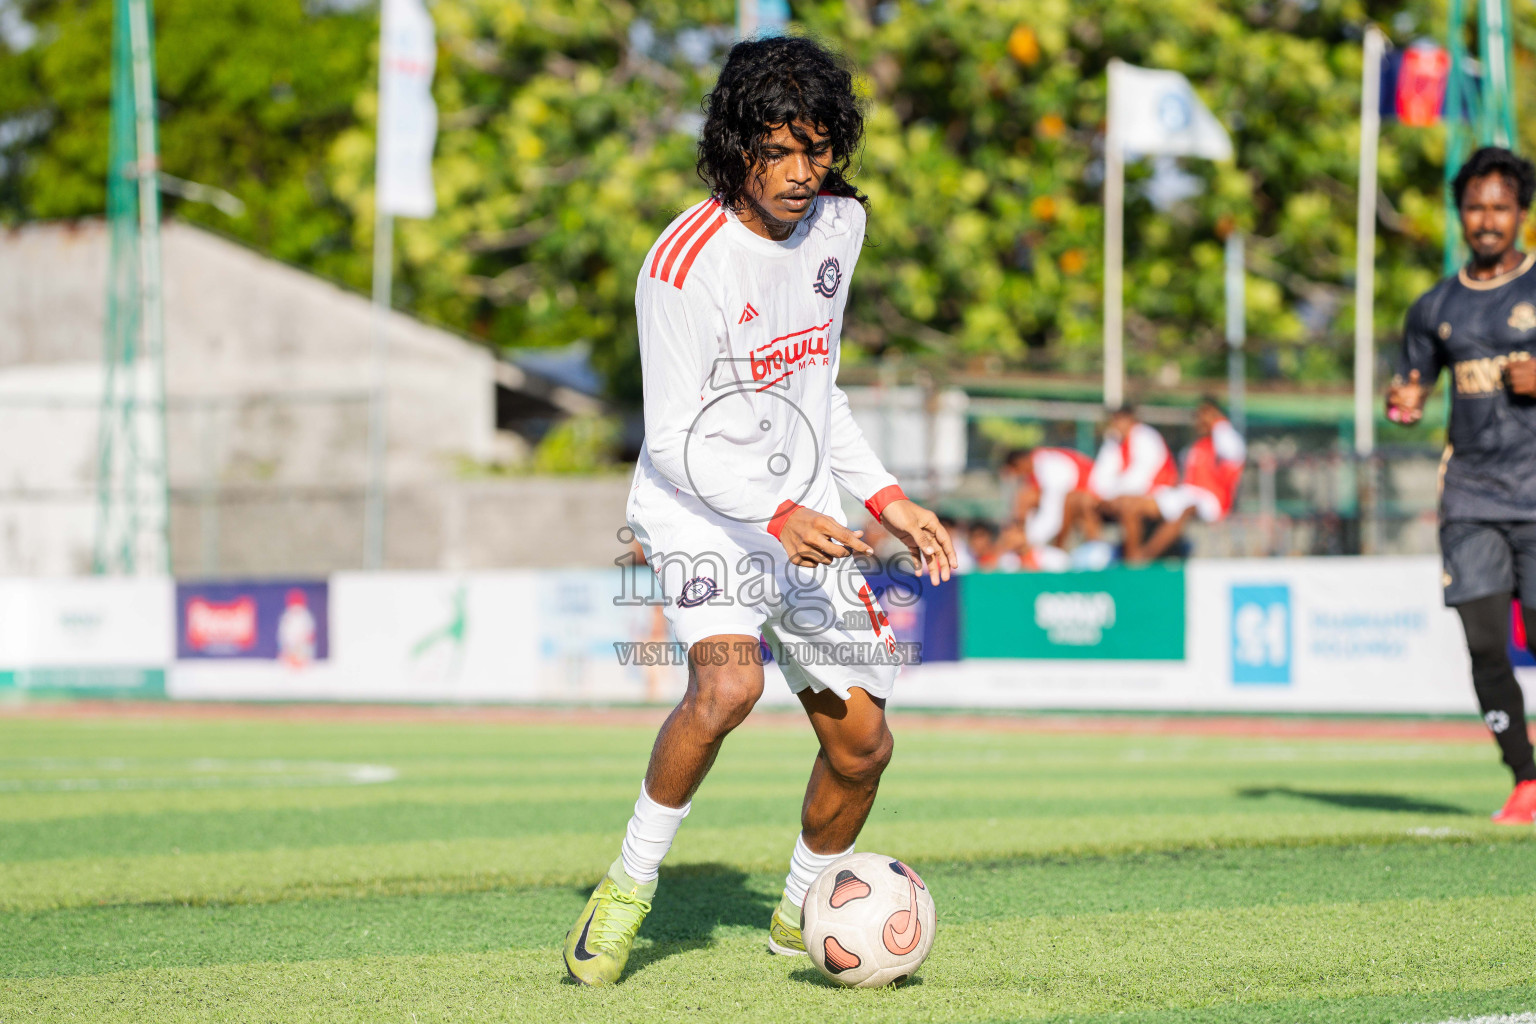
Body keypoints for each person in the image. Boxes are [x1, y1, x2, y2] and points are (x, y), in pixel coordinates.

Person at [563, 36, 957, 985]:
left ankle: (801, 912)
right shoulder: (680, 262)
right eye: (775, 152)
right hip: (699, 511)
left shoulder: (838, 228)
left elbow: (820, 388)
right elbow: (671, 439)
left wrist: (888, 497)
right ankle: (626, 886)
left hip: (803, 505)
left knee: (864, 747)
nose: (797, 173)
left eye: (815, 150)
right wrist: (777, 516)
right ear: (735, 147)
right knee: (728, 688)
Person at [1387, 146, 1536, 824]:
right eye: (1475, 206)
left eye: (1500, 207)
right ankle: (1525, 778)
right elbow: (1410, 386)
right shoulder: (1435, 306)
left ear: (1521, 213)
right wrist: (1404, 403)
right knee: (1483, 643)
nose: (1487, 219)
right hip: (1470, 498)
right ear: (1460, 214)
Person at [1118, 397, 1246, 564]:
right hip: (1186, 494)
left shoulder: (1224, 442)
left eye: (1203, 415)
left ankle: (1143, 558)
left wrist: (1218, 422)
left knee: (1185, 510)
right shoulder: (1195, 447)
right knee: (1131, 504)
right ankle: (1130, 557)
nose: (1199, 420)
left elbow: (1235, 451)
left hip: (1212, 502)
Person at [1002, 446, 1101, 552]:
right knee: (1026, 498)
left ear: (1020, 462)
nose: (1019, 475)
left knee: (1069, 503)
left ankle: (1061, 551)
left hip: (1096, 492)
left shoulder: (1050, 469)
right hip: (1076, 494)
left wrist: (1029, 541)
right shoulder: (1037, 465)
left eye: (1016, 471)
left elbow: (1053, 514)